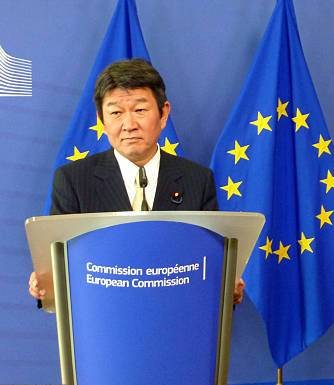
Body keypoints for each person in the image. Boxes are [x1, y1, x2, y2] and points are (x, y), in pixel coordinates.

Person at [29, 58, 245, 305]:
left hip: (177, 316)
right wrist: (45, 284)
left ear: (163, 114)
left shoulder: (197, 179)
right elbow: (60, 265)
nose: (129, 125)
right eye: (116, 113)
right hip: (103, 319)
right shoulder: (74, 180)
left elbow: (208, 261)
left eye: (140, 110)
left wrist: (226, 285)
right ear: (101, 121)